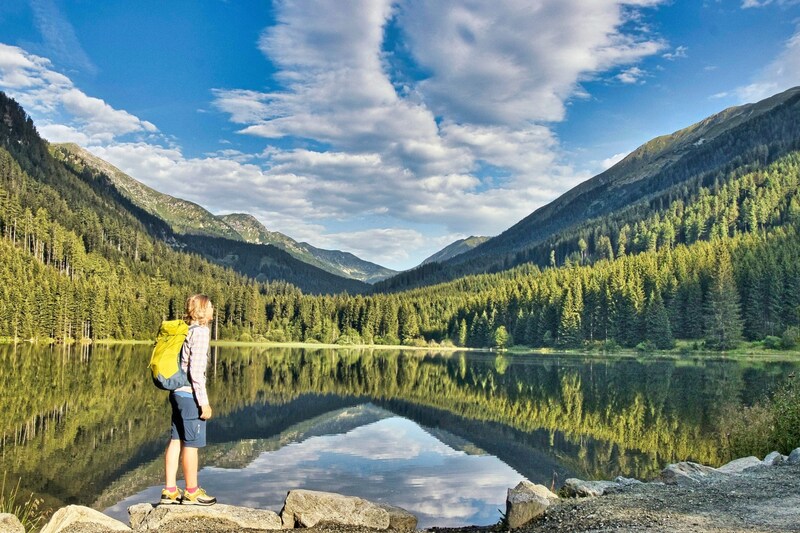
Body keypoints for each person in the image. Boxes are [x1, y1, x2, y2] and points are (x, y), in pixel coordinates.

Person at [161, 294, 217, 506]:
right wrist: (203, 401)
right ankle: (192, 491)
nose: (213, 309)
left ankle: (169, 490)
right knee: (191, 445)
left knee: (176, 440)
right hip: (189, 395)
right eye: (210, 306)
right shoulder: (201, 332)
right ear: (203, 310)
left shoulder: (186, 330)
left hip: (176, 393)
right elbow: (196, 371)